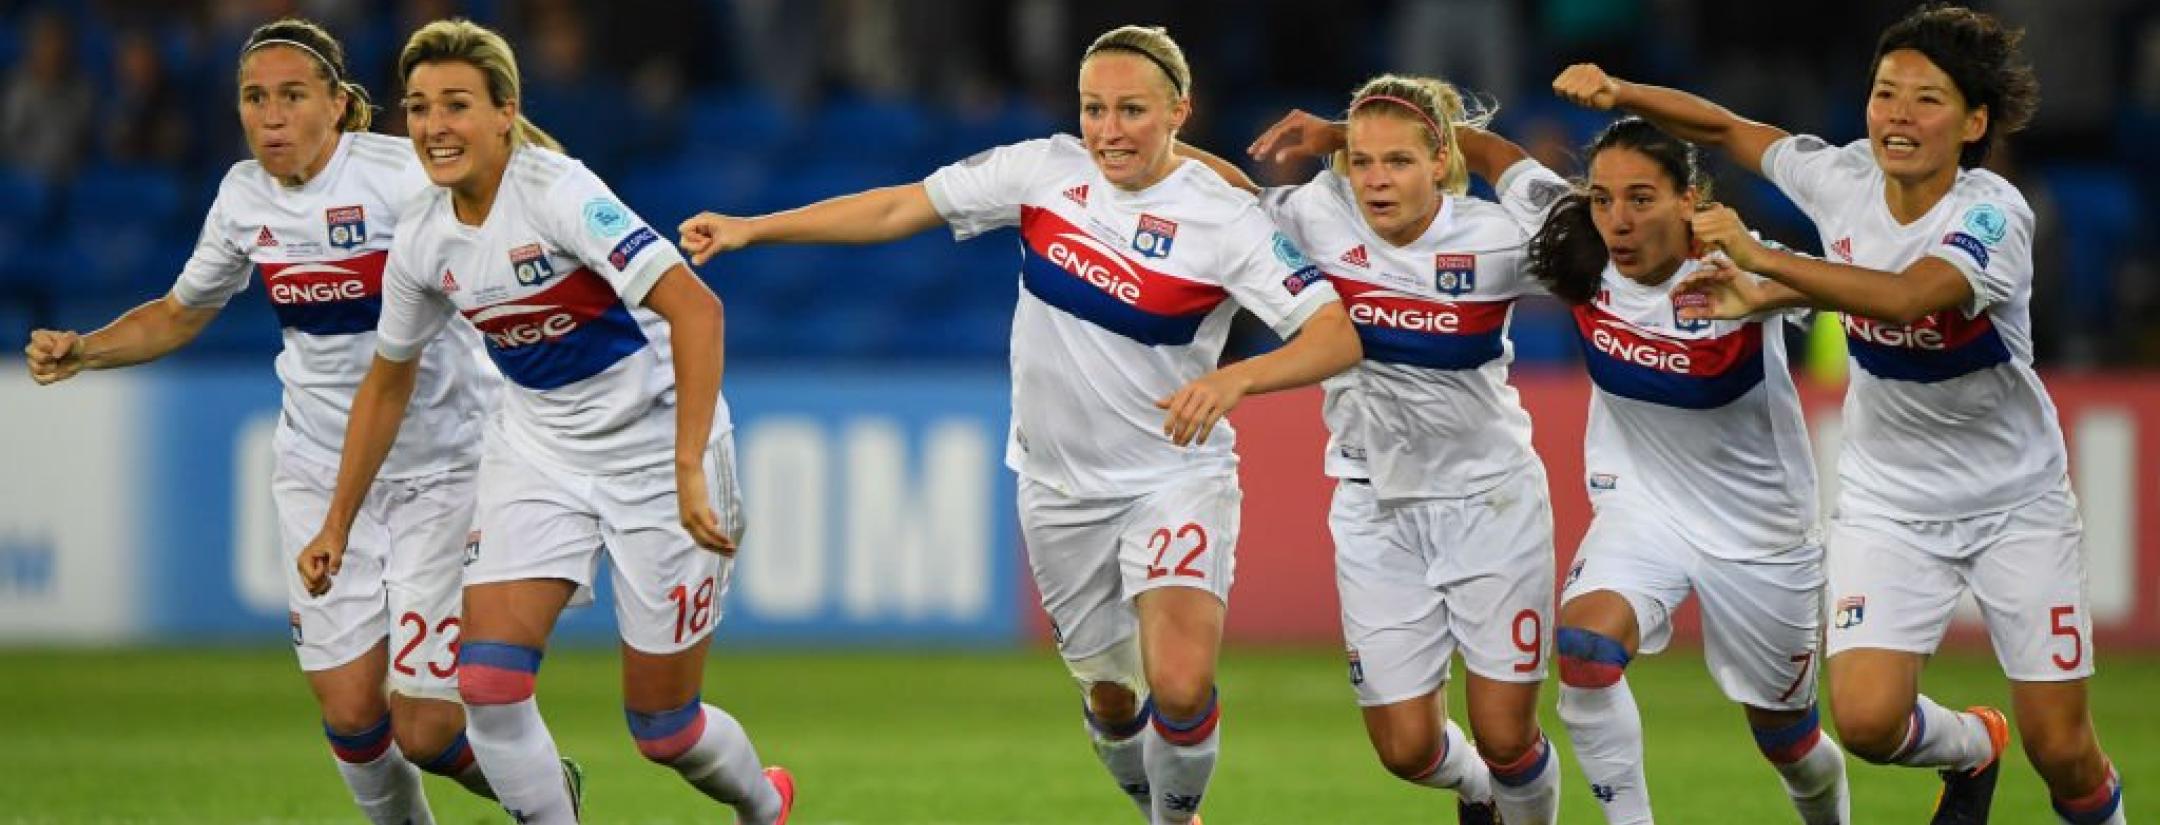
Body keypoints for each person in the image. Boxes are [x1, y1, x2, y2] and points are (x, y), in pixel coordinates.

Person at [678, 25, 1362, 825]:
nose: (1107, 130)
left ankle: (1174, 820)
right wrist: (755, 227)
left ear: (1180, 108)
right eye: (1094, 109)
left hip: (1174, 478)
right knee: (1112, 699)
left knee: (1178, 684)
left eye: (1132, 110)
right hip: (1058, 485)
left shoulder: (1227, 220)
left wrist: (1235, 378)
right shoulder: (1044, 170)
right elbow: (903, 205)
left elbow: (1335, 332)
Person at [1555, 5, 2125, 823]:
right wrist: (1621, 93)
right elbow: (1725, 128)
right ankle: (1973, 743)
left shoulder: (1991, 215)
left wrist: (1766, 264)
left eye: (1926, 100)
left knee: (2064, 752)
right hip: (1887, 503)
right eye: (1885, 92)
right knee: (1864, 721)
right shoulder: (1842, 179)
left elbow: (1907, 294)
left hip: (2014, 502)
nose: (1897, 115)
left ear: (1974, 122)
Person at [296, 19, 792, 825]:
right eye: (419, 108)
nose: (434, 126)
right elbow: (387, 385)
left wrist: (690, 465)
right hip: (539, 450)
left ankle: (764, 804)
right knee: (487, 683)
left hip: (656, 453)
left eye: (456, 104)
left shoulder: (560, 193)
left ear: (504, 112)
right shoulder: (422, 237)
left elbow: (696, 310)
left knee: (665, 729)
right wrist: (337, 521)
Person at [22, 19, 505, 824]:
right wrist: (85, 349)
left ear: (339, 105)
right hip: (316, 467)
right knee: (353, 714)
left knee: (425, 727)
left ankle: (540, 791)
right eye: (254, 98)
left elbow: (498, 233)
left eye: (291, 96)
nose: (270, 115)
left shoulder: (400, 177)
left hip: (439, 467)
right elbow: (180, 313)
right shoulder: (244, 196)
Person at [1205, 76, 1571, 825]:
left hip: (1489, 501)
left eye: (1398, 161)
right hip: (1374, 505)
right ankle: (1478, 798)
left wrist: (1344, 132)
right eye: (1362, 161)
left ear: (1441, 160)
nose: (1376, 180)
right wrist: (1141, 150)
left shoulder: (1495, 239)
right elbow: (1222, 201)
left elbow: (1589, 231)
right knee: (1406, 748)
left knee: (1507, 735)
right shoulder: (1316, 215)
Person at [1520, 116, 1849, 824]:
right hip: (1643, 507)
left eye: (1641, 198)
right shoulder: (1579, 241)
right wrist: (1340, 140)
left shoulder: (1733, 261)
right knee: (1583, 649)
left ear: (1688, 198)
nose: (1618, 219)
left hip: (1762, 530)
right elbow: (1494, 157)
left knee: (1790, 743)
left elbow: (1860, 287)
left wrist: (1769, 283)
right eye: (1603, 198)